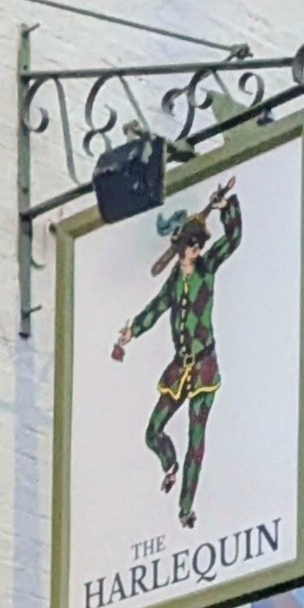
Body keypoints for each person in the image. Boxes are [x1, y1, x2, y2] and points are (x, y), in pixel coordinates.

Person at [112, 178, 243, 527]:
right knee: (153, 431)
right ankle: (169, 464)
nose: (196, 249)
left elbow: (233, 239)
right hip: (179, 367)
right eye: (192, 244)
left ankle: (185, 508)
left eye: (200, 244)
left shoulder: (207, 269)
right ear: (182, 246)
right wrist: (132, 332)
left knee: (195, 441)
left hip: (204, 369)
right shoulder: (174, 281)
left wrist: (226, 208)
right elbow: (156, 308)